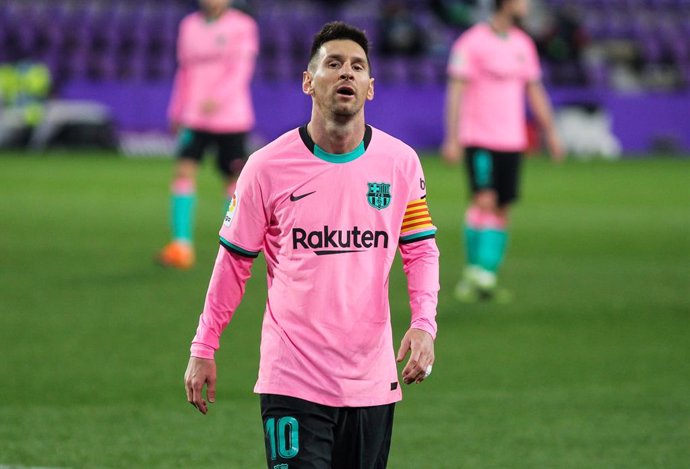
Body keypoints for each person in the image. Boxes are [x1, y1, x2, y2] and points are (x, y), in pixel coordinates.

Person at [184, 22, 440, 469]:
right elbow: (234, 262)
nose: (347, 73)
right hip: (292, 380)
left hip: (371, 382)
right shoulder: (265, 167)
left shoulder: (400, 163)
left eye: (357, 67)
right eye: (334, 64)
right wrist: (203, 347)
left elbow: (420, 249)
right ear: (308, 81)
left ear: (370, 87)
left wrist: (424, 323)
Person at [441, 0, 563, 302]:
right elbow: (455, 92)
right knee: (484, 200)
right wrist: (452, 137)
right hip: (479, 137)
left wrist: (551, 132)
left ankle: (483, 277)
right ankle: (477, 276)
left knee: (502, 208)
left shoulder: (523, 44)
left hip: (512, 140)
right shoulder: (471, 42)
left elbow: (534, 90)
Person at [157, 0, 258, 269]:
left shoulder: (243, 26)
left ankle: (235, 246)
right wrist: (176, 109)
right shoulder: (188, 26)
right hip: (194, 115)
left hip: (230, 116)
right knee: (183, 171)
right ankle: (181, 246)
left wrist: (218, 98)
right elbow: (184, 71)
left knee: (233, 182)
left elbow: (241, 70)